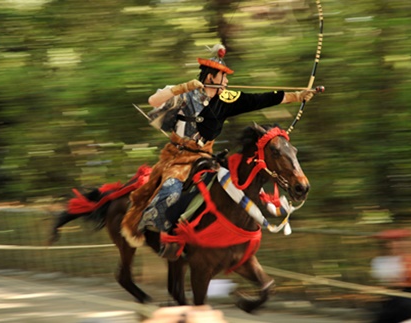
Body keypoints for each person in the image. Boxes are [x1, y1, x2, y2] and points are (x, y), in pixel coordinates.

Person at [121, 44, 315, 260]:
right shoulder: (186, 96)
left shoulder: (227, 100)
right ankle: (163, 235)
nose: (227, 82)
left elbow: (261, 99)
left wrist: (298, 96)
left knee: (231, 188)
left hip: (205, 158)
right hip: (177, 159)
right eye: (223, 77)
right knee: (171, 192)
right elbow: (153, 101)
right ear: (211, 77)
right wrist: (182, 87)